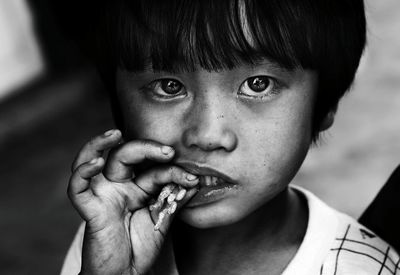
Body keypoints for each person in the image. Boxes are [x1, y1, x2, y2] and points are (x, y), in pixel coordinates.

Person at [59, 0, 400, 274]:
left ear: (324, 105)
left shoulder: (364, 268)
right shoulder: (113, 232)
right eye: (169, 87)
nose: (207, 135)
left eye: (258, 84)